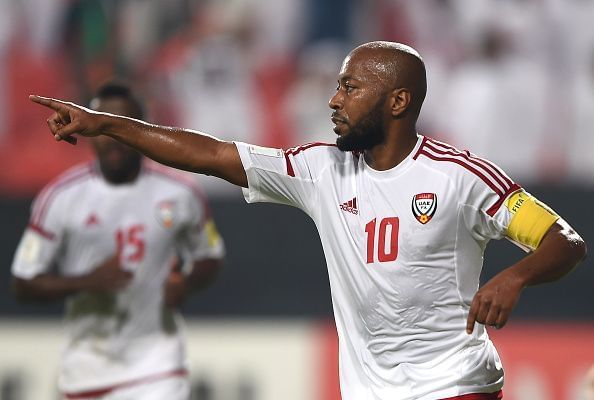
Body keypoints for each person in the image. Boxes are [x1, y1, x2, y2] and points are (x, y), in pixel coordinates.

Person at [29, 42, 586, 400]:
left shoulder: (460, 176)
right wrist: (106, 124)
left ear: (397, 102)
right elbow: (212, 155)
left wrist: (515, 276)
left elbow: (564, 241)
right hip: (370, 392)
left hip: (454, 384)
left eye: (350, 86)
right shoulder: (321, 170)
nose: (333, 100)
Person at [13, 81, 225, 400]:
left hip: (158, 364)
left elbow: (210, 255)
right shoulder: (61, 197)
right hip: (86, 369)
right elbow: (23, 282)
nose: (113, 141)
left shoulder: (180, 193)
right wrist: (87, 281)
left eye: (121, 128)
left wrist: (187, 281)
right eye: (103, 128)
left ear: (140, 131)